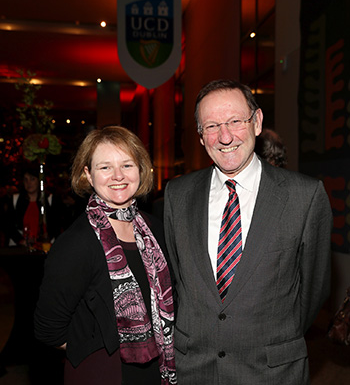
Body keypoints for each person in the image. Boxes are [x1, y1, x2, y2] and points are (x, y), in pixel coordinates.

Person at [163, 79, 333, 384]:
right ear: (201, 137)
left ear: (256, 122)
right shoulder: (178, 195)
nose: (225, 136)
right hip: (195, 371)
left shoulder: (304, 196)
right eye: (212, 126)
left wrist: (275, 339)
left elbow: (314, 289)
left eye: (235, 122)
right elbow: (177, 281)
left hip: (272, 372)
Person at [34, 126, 177, 385]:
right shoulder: (77, 243)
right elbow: (48, 329)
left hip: (157, 370)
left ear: (141, 170)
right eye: (104, 167)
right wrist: (95, 349)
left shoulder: (155, 228)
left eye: (127, 165)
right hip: (103, 373)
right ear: (88, 175)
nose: (118, 176)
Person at [3, 164, 62, 247]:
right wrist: (21, 240)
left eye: (32, 179)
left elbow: (56, 225)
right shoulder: (15, 200)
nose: (28, 183)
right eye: (25, 180)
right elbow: (8, 225)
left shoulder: (50, 200)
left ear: (39, 181)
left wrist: (46, 238)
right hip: (20, 247)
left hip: (45, 246)